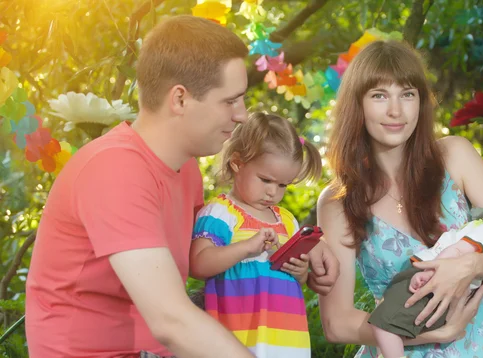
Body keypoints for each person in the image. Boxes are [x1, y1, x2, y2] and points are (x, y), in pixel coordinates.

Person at [25, 15, 338, 358]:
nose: (242, 115)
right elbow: (170, 320)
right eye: (230, 100)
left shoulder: (185, 168)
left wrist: (305, 248)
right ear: (180, 100)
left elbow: (224, 243)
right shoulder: (116, 168)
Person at [317, 39, 483, 357]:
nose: (396, 110)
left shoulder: (455, 155)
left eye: (407, 94)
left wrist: (470, 266)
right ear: (357, 104)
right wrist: (434, 334)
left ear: (421, 102)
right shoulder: (337, 201)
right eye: (379, 95)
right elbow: (337, 323)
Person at [190, 112, 322, 357]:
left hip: (286, 343)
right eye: (266, 180)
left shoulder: (287, 221)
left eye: (283, 185)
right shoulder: (220, 212)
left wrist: (300, 272)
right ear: (237, 162)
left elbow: (293, 281)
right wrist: (246, 248)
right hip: (237, 340)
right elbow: (199, 264)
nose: (273, 192)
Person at [369, 188, 483, 358]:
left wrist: (429, 272)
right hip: (448, 297)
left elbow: (457, 251)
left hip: (432, 282)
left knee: (384, 322)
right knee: (394, 325)